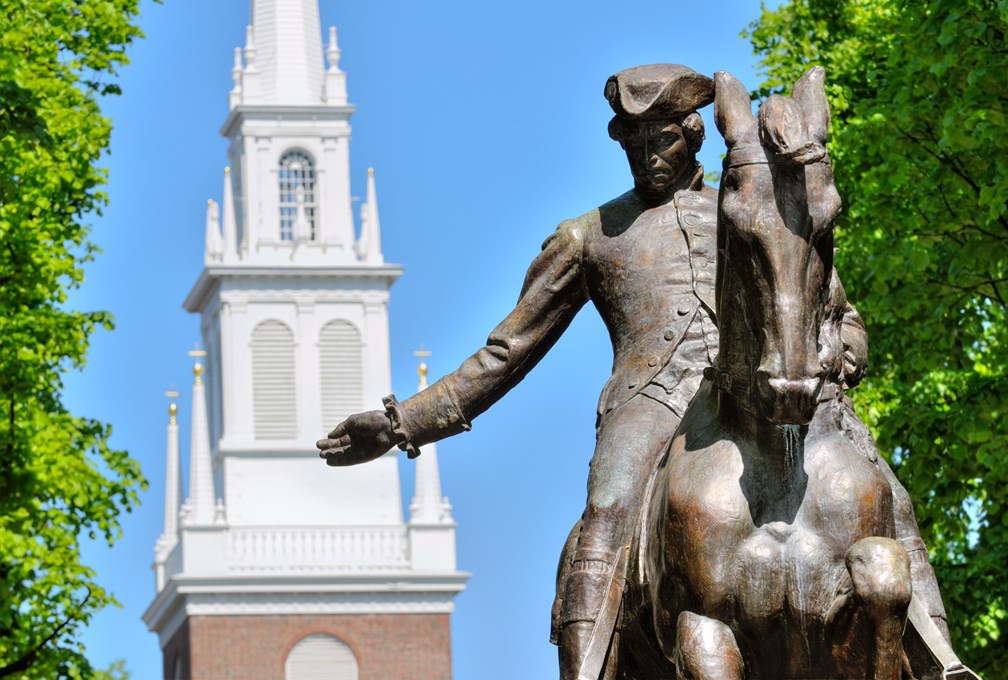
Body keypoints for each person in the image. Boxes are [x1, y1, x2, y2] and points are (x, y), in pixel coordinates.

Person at [316, 63, 871, 679]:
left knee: (867, 477)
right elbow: (506, 353)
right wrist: (401, 424)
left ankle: (931, 643)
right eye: (632, 143)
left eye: (660, 139)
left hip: (755, 391)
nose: (646, 156)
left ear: (692, 135)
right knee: (607, 509)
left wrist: (844, 349)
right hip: (651, 404)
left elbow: (833, 308)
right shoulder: (587, 237)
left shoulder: (748, 206)